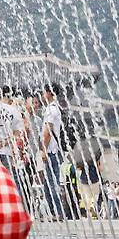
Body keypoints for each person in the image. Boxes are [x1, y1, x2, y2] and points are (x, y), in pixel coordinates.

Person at [40, 83, 65, 221]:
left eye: (44, 91)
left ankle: (57, 212)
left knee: (52, 183)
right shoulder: (54, 108)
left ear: (49, 92)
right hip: (52, 151)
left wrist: (43, 149)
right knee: (48, 184)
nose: (43, 94)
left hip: (50, 151)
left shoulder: (52, 110)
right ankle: (52, 212)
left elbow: (48, 131)